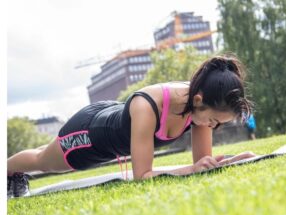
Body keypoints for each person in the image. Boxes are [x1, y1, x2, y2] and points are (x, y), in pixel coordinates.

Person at [7, 54, 256, 198]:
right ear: (199, 101)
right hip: (91, 133)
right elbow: (143, 176)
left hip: (112, 115)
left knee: (44, 153)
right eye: (213, 121)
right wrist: (193, 169)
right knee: (44, 160)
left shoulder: (199, 105)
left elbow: (202, 165)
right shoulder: (148, 107)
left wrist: (234, 160)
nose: (213, 127)